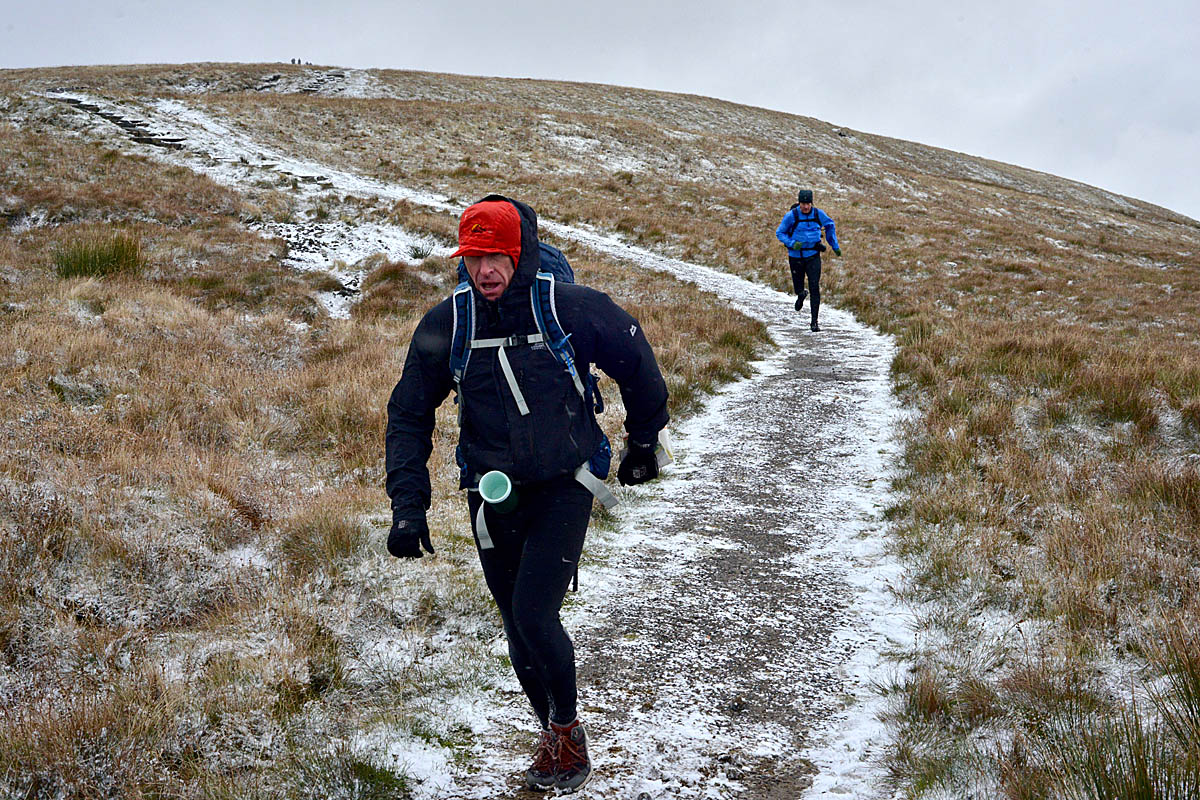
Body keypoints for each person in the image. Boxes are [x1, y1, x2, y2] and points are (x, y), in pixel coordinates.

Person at [384, 195, 669, 792]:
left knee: (535, 611)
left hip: (567, 482)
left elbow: (636, 362)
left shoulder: (569, 308)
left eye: (497, 256)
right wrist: (409, 506)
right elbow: (408, 413)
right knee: (515, 621)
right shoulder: (449, 323)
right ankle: (552, 733)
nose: (484, 270)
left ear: (521, 252)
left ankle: (565, 731)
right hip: (492, 488)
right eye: (472, 257)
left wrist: (642, 443)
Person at [775, 188, 841, 332]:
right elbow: (780, 233)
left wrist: (834, 245)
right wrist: (792, 244)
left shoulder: (818, 214)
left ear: (812, 202)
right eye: (803, 203)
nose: (805, 206)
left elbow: (830, 225)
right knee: (798, 286)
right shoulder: (791, 216)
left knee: (814, 286)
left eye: (808, 203)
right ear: (799, 202)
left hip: (813, 256)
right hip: (796, 257)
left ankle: (814, 321)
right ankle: (800, 294)